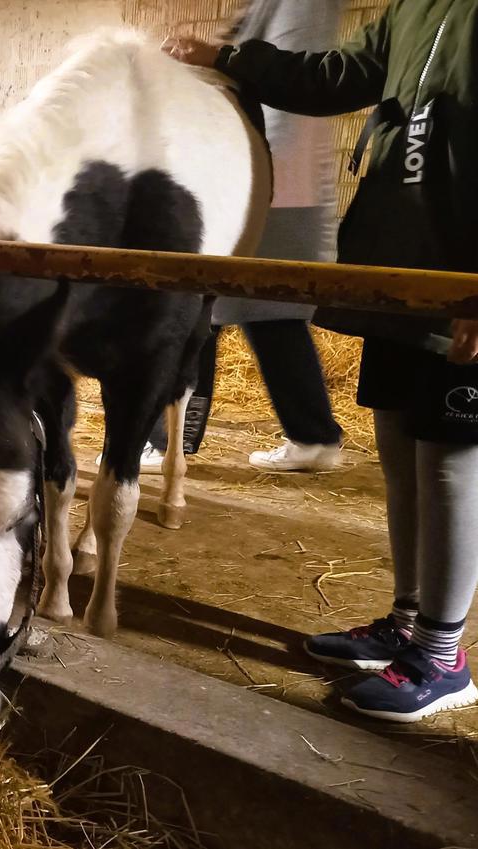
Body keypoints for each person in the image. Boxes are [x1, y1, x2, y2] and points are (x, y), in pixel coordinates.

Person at [165, 0, 478, 721]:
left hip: (461, 275)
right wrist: (227, 56)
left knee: (450, 458)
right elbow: (335, 76)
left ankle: (441, 654)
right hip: (402, 264)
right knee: (401, 446)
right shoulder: (417, 9)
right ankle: (407, 620)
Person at [141, 0, 346, 475]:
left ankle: (170, 442)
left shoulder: (300, 5)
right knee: (265, 317)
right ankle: (311, 435)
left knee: (206, 308)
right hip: (269, 178)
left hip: (268, 181)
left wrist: (251, 175)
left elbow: (292, 86)